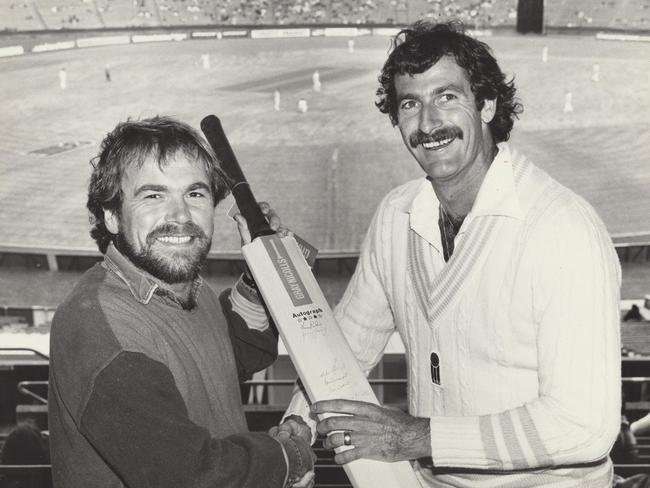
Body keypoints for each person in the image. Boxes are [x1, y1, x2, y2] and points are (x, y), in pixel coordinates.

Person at [277, 21, 621, 487]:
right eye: (410, 104)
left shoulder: (562, 229)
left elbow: (585, 426)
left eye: (447, 97)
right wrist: (298, 429)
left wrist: (415, 438)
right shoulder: (396, 215)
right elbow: (348, 344)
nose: (427, 123)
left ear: (487, 104)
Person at [47, 116, 314, 488]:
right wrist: (288, 457)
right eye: (153, 195)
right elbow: (190, 476)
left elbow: (229, 358)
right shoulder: (96, 326)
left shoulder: (188, 288)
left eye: (195, 193)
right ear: (110, 215)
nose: (181, 216)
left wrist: (258, 276)